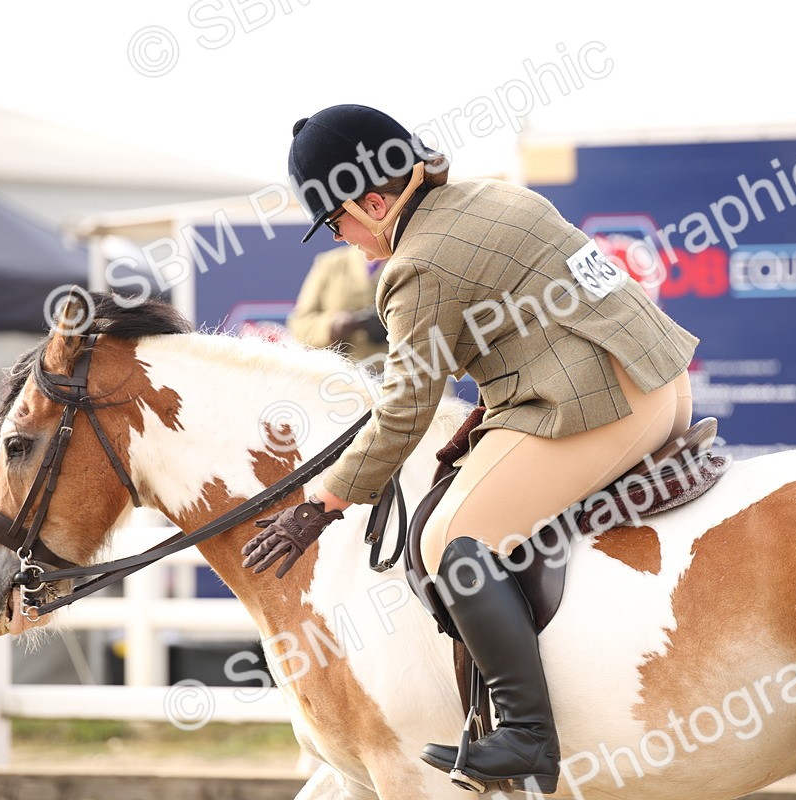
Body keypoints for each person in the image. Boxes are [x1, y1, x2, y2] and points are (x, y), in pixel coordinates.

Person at [241, 104, 698, 793]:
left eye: (336, 223)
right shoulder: (493, 194)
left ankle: (526, 735)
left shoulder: (416, 266)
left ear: (371, 200)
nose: (344, 241)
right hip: (652, 377)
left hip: (604, 404)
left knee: (452, 540)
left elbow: (402, 413)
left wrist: (322, 500)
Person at [286, 245, 388, 363]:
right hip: (340, 372)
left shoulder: (408, 262)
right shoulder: (330, 263)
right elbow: (299, 324)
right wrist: (333, 325)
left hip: (395, 370)